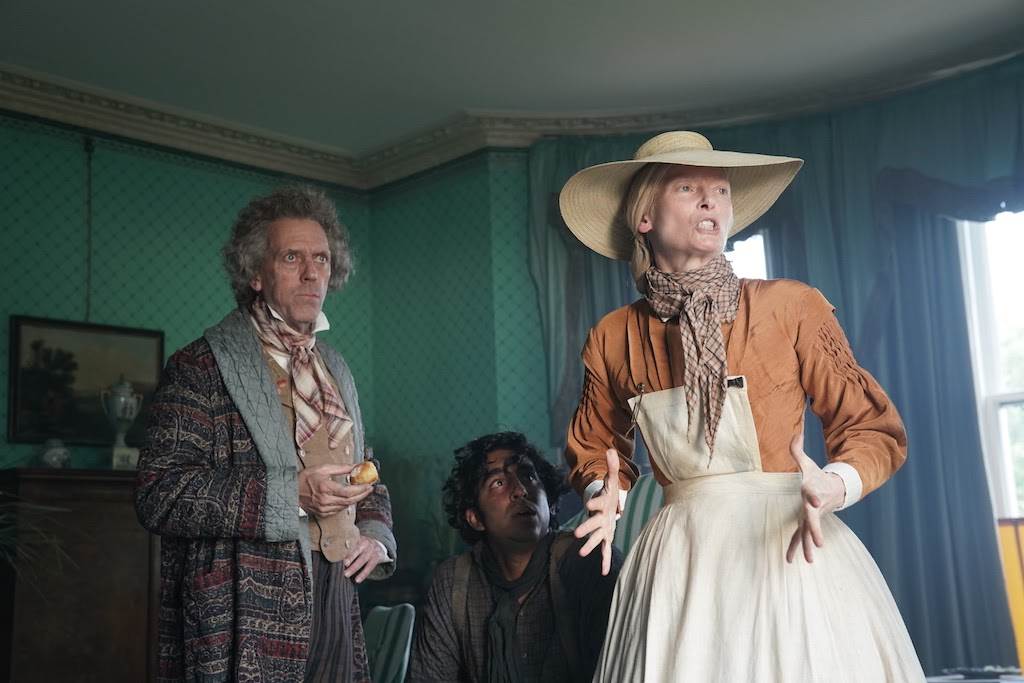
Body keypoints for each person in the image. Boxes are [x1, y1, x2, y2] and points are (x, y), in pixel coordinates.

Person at [559, 131, 925, 681]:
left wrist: (835, 484)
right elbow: (595, 447)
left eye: (721, 191)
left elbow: (871, 426)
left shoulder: (792, 306)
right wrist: (603, 494)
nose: (711, 201)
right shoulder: (612, 335)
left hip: (789, 548)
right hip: (680, 563)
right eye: (688, 188)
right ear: (645, 218)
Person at [135, 186, 396, 683]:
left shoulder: (335, 367)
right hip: (247, 604)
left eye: (321, 258)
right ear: (256, 273)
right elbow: (160, 493)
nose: (311, 272)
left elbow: (364, 470)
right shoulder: (201, 365)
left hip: (337, 591)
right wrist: (291, 494)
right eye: (291, 257)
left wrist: (377, 535)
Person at [407, 431, 621, 683]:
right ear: (475, 518)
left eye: (529, 476)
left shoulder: (589, 562)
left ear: (550, 502)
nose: (520, 490)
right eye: (498, 482)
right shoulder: (453, 582)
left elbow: (621, 669)